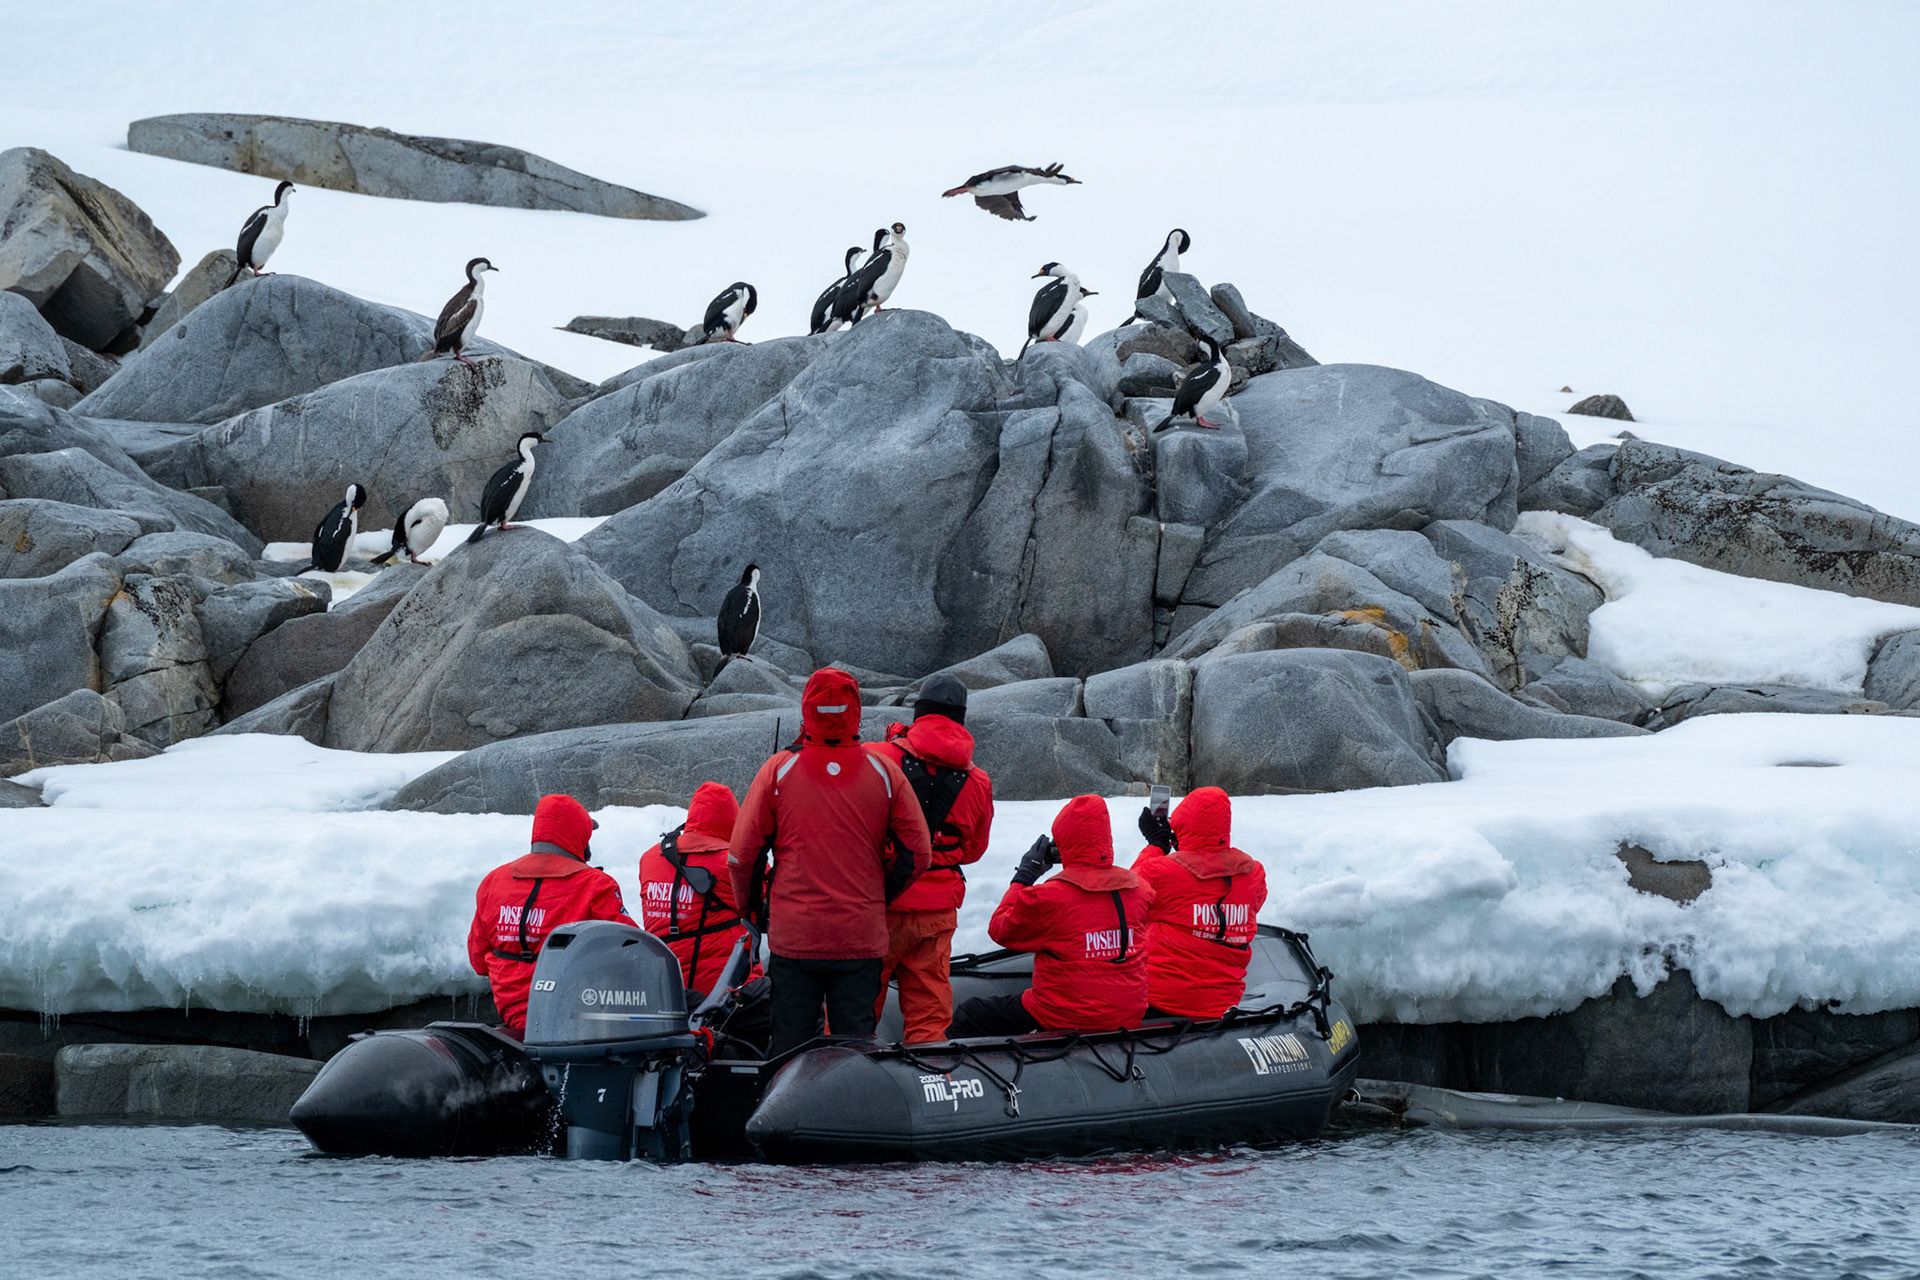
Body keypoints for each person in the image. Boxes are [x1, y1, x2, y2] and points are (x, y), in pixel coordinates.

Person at [729, 667, 932, 1056]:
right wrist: (878, 896)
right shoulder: (884, 770)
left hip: (795, 938)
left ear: (807, 709)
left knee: (789, 1048)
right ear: (856, 709)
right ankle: (850, 1114)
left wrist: (752, 907)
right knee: (854, 1050)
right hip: (859, 936)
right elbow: (918, 851)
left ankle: (785, 1114)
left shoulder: (779, 770)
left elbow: (742, 856)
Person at [949, 794, 1155, 1038]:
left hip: (1064, 1014)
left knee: (969, 1014)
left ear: (1064, 843)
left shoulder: (1049, 897)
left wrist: (1024, 877)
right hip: (1127, 1014)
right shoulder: (1140, 890)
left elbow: (1000, 928)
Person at [865, 674, 995, 1044]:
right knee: (929, 1011)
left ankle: (845, 1080)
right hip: (937, 911)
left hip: (882, 903)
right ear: (961, 718)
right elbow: (974, 851)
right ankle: (933, 1082)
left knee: (854, 1009)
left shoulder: (879, 758)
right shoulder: (979, 780)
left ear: (919, 712)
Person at [466, 793, 632, 1036]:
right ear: (579, 836)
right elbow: (630, 953)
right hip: (575, 1014)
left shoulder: (494, 880)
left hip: (512, 1013)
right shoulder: (595, 885)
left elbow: (478, 962)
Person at [1131, 786, 1268, 1019]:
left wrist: (1157, 844)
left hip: (1160, 1001)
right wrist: (1186, 850)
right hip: (1221, 1004)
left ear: (1183, 823)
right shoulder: (1253, 873)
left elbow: (1129, 896)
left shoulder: (1162, 872)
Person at [638, 781, 755, 997]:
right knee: (795, 1007)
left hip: (664, 991)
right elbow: (767, 908)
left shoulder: (650, 859)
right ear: (732, 818)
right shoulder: (733, 861)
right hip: (725, 994)